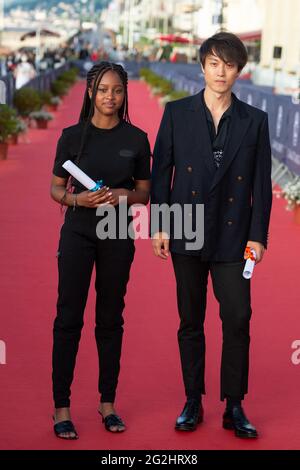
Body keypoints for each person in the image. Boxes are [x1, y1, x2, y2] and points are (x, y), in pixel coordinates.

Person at [151, 32, 272, 439]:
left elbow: (261, 184)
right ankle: (193, 400)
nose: (222, 72)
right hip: (185, 228)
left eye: (230, 65)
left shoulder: (255, 120)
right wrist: (161, 224)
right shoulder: (176, 113)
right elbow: (161, 173)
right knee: (191, 319)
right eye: (215, 63)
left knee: (238, 317)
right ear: (202, 65)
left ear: (240, 70)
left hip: (235, 237)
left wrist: (259, 236)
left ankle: (234, 405)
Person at [50, 61, 151, 439]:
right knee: (68, 318)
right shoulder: (71, 137)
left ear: (125, 94)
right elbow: (56, 189)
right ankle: (62, 408)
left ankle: (107, 403)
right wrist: (80, 202)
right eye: (103, 89)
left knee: (110, 319)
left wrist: (122, 196)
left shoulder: (137, 139)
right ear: (90, 92)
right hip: (77, 233)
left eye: (118, 90)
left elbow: (144, 192)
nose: (111, 97)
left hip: (117, 235)